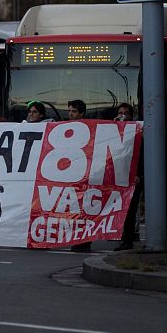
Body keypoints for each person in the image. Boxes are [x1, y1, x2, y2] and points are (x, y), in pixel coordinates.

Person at [115, 103, 141, 250]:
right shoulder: (114, 131)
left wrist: (139, 174)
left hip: (133, 176)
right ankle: (124, 237)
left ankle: (128, 239)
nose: (122, 115)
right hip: (119, 175)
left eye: (125, 113)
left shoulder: (137, 132)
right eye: (120, 112)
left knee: (130, 208)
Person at [67, 100, 91, 252]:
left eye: (74, 111)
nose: (70, 114)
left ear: (81, 113)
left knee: (84, 209)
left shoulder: (89, 128)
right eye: (69, 111)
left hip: (84, 176)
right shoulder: (65, 129)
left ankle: (84, 240)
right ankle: (78, 238)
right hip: (71, 175)